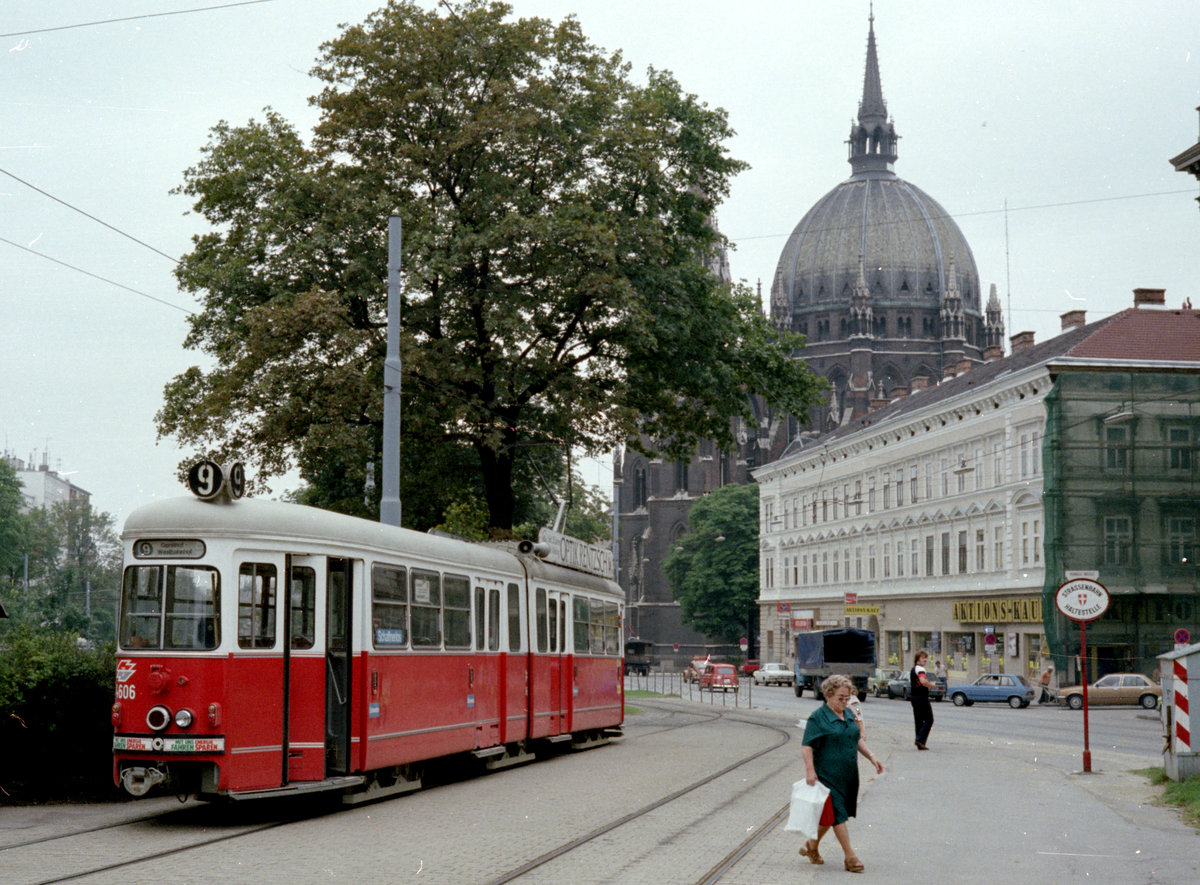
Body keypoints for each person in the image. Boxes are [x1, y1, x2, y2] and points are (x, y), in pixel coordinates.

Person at [800, 674, 884, 874]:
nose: (844, 702)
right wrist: (810, 771)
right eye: (840, 698)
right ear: (828, 695)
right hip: (827, 774)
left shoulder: (847, 713)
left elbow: (855, 738)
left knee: (835, 814)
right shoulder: (818, 718)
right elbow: (806, 746)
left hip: (847, 775)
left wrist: (872, 757)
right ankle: (850, 857)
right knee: (839, 814)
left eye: (847, 698)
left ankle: (811, 845)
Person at [909, 650, 936, 749]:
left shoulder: (913, 669)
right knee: (929, 719)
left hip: (914, 697)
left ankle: (920, 743)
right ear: (917, 659)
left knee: (919, 720)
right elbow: (923, 681)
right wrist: (931, 685)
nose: (925, 660)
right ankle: (920, 739)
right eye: (923, 658)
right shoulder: (920, 669)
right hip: (921, 697)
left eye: (926, 658)